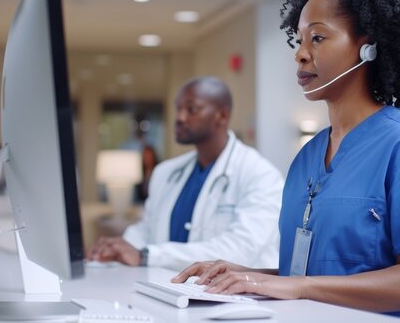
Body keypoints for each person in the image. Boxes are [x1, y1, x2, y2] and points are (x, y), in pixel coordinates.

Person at [172, 0, 400, 321]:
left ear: (366, 49)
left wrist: (297, 287)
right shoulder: (307, 157)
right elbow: (303, 279)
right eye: (300, 39)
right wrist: (245, 276)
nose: (301, 54)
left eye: (317, 38)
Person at [87, 76, 284, 271]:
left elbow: (239, 251)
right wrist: (116, 250)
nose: (180, 117)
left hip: (237, 299)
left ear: (222, 116)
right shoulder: (166, 172)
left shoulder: (260, 175)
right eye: (178, 108)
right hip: (167, 291)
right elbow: (147, 231)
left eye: (191, 109)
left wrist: (147, 256)